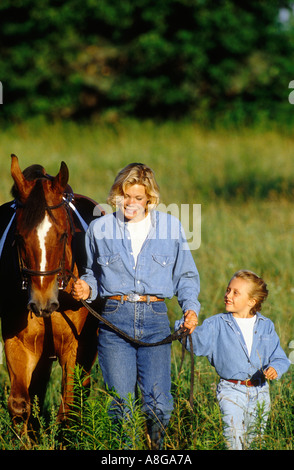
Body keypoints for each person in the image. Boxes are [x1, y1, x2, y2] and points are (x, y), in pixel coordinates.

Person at [72, 163, 200, 449]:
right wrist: (86, 287)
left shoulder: (171, 227)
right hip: (114, 320)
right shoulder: (99, 228)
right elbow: (92, 273)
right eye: (125, 195)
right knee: (122, 407)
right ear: (116, 194)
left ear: (150, 199)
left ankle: (156, 451)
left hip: (155, 320)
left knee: (159, 406)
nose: (131, 203)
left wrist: (190, 308)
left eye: (138, 198)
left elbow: (186, 276)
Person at [175, 269, 290, 450]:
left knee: (256, 440)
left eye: (236, 293)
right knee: (233, 439)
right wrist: (185, 327)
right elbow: (197, 344)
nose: (228, 295)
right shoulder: (217, 324)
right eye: (228, 290)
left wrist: (276, 367)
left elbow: (280, 357)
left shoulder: (266, 326)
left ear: (251, 301)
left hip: (260, 391)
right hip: (231, 390)